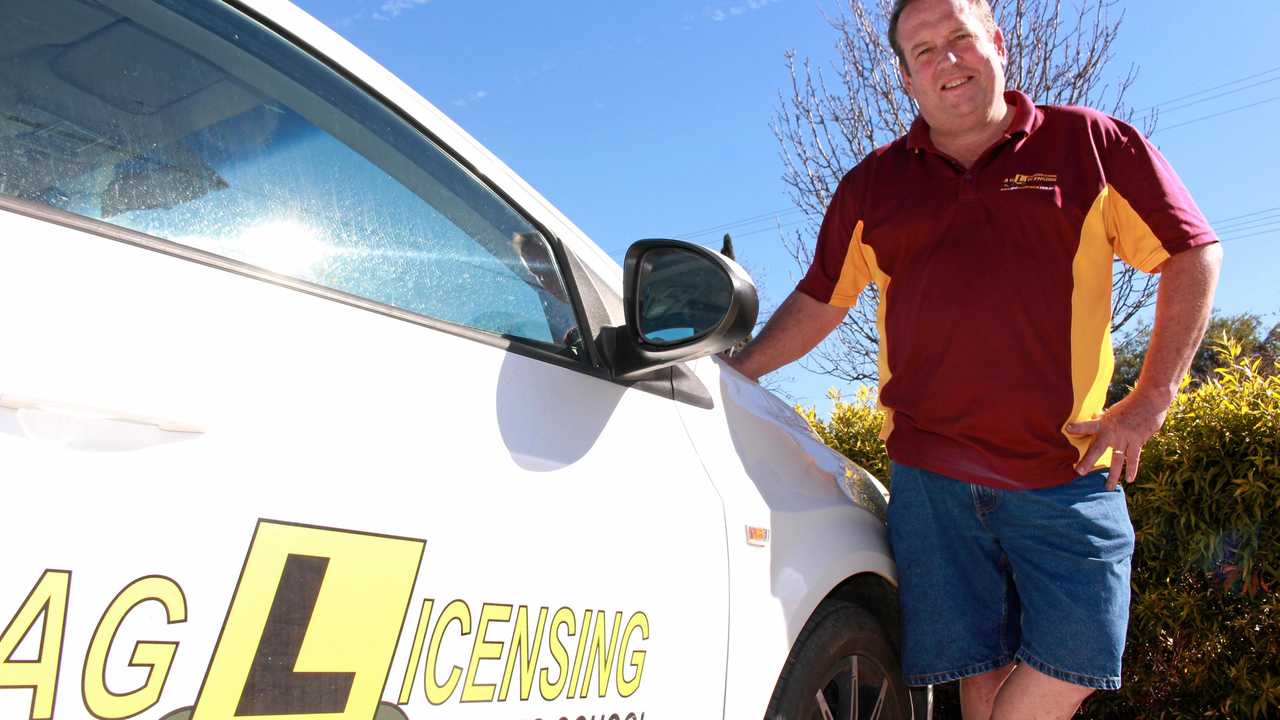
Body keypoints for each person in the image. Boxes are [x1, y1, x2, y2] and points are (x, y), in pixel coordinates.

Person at [723, 0, 1223, 717]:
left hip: (1066, 468)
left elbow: (1191, 252)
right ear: (905, 77)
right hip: (932, 478)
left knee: (1082, 653)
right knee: (976, 667)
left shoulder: (1091, 144)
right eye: (922, 51)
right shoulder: (873, 185)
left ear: (996, 42)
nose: (945, 60)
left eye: (959, 37)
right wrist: (734, 370)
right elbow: (820, 300)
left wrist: (1150, 399)